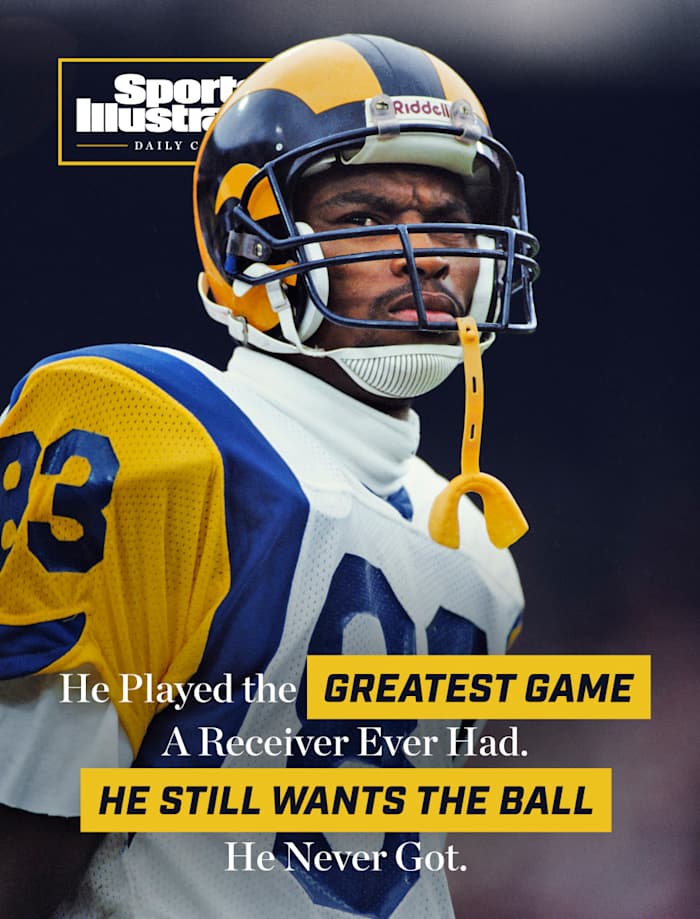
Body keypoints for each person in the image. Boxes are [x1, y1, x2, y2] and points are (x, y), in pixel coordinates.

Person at [0, 34, 538, 919]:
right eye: (366, 216)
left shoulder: (478, 540)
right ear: (247, 242)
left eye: (447, 217)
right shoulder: (153, 431)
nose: (430, 254)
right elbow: (24, 842)